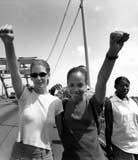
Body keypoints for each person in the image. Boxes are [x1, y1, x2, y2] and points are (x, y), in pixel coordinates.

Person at [55, 31, 129, 160]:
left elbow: (102, 80)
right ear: (67, 85)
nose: (75, 89)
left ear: (86, 85)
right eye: (71, 85)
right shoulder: (63, 105)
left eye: (80, 85)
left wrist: (112, 53)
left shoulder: (93, 102)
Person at [0, 24, 63, 160]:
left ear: (48, 75)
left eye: (42, 74)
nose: (38, 78)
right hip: (19, 154)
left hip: (43, 154)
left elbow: (62, 132)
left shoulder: (56, 102)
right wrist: (8, 44)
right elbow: (14, 70)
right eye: (34, 75)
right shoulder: (24, 95)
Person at [104, 76, 138, 160]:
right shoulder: (110, 103)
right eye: (121, 85)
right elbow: (108, 127)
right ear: (115, 87)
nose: (125, 88)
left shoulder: (135, 102)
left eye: (127, 85)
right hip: (120, 146)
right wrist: (108, 147)